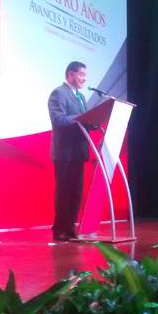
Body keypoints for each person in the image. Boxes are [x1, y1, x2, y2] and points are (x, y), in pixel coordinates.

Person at [48, 61, 89, 241]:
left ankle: (71, 226)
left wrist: (95, 121)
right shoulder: (59, 93)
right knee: (64, 191)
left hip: (78, 151)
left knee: (76, 192)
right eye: (81, 74)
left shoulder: (81, 97)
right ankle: (59, 229)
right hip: (64, 152)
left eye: (85, 75)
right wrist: (83, 117)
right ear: (70, 74)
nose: (84, 79)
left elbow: (84, 121)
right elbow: (59, 119)